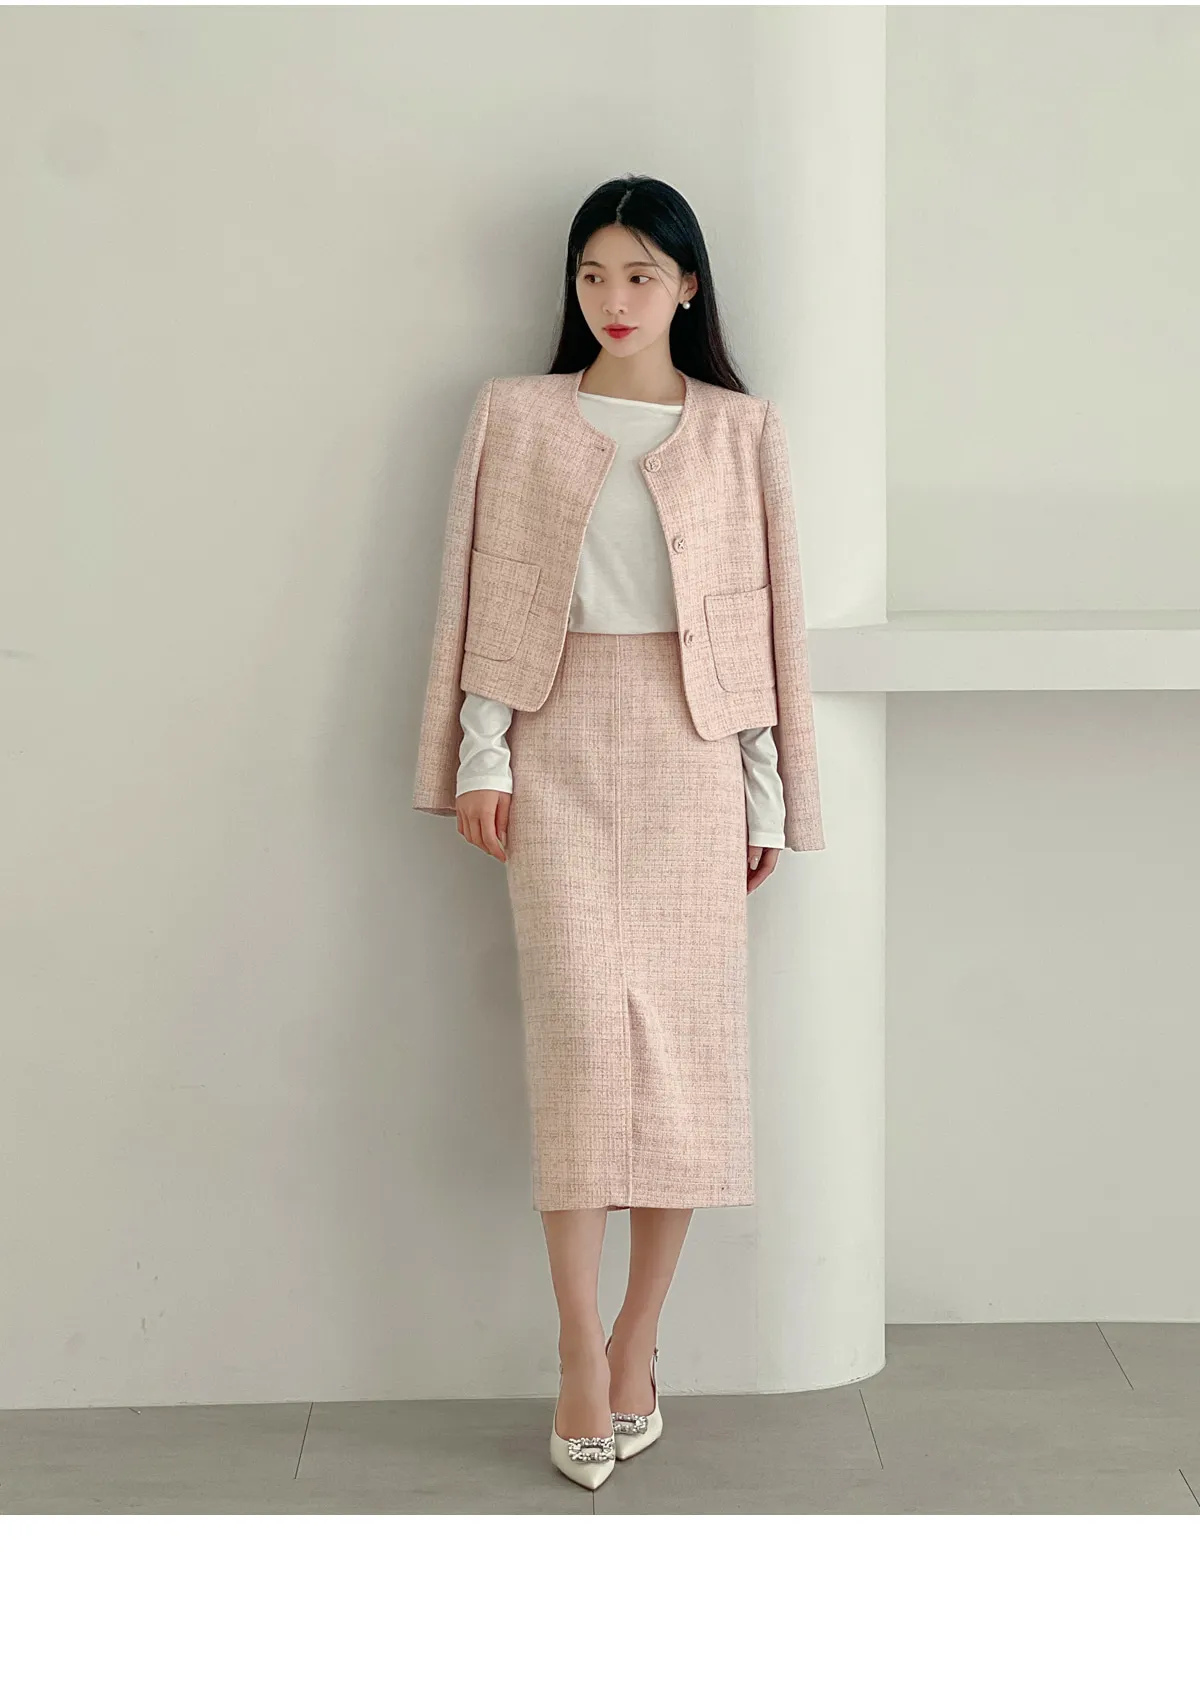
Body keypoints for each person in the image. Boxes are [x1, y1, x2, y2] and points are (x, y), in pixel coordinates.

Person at [412, 175, 825, 1489]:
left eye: (642, 274)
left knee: (687, 1059)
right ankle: (576, 1350)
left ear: (689, 287)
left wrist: (766, 796)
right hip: (558, 740)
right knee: (583, 1045)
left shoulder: (742, 431)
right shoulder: (517, 416)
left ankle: (639, 1340)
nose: (615, 298)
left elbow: (759, 623)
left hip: (693, 755)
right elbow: (490, 593)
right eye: (594, 274)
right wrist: (484, 754)